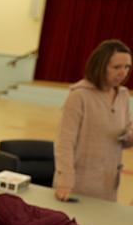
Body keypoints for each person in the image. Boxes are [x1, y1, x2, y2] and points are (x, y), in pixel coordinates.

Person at [54, 39, 133, 202]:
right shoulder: (79, 95)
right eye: (117, 67)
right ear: (100, 66)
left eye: (127, 67)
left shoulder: (123, 95)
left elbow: (124, 135)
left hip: (108, 185)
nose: (123, 73)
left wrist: (130, 136)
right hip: (77, 185)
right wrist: (65, 180)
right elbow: (64, 141)